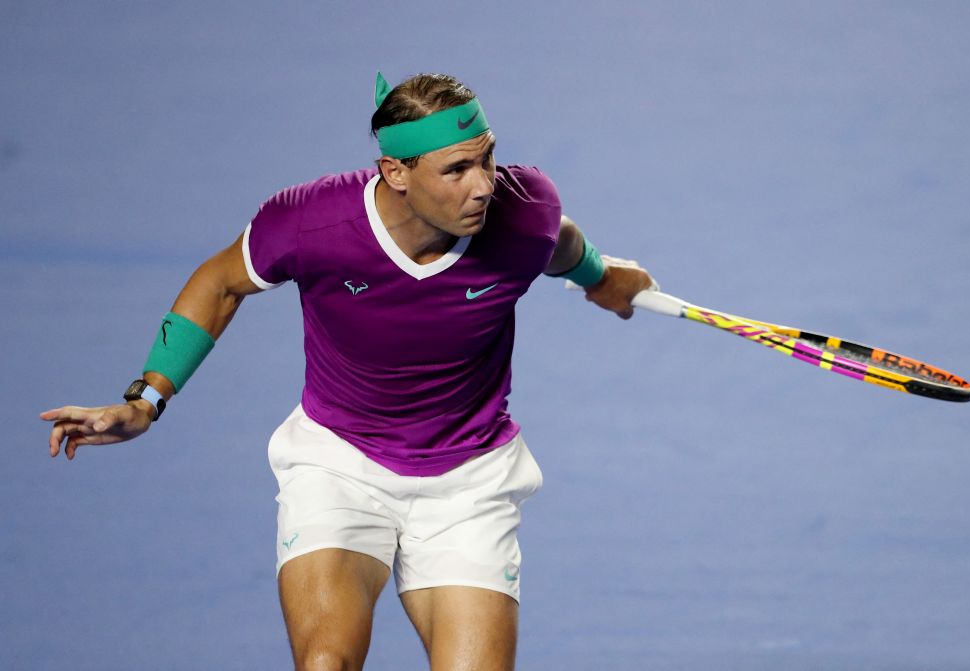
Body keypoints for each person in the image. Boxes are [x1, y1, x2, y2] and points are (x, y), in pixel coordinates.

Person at [41, 72, 655, 671]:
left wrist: (602, 277)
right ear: (397, 172)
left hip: (471, 480)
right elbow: (223, 281)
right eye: (457, 169)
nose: (484, 186)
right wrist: (146, 399)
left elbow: (558, 242)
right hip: (340, 464)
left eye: (488, 159)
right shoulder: (312, 221)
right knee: (326, 661)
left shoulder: (523, 211)